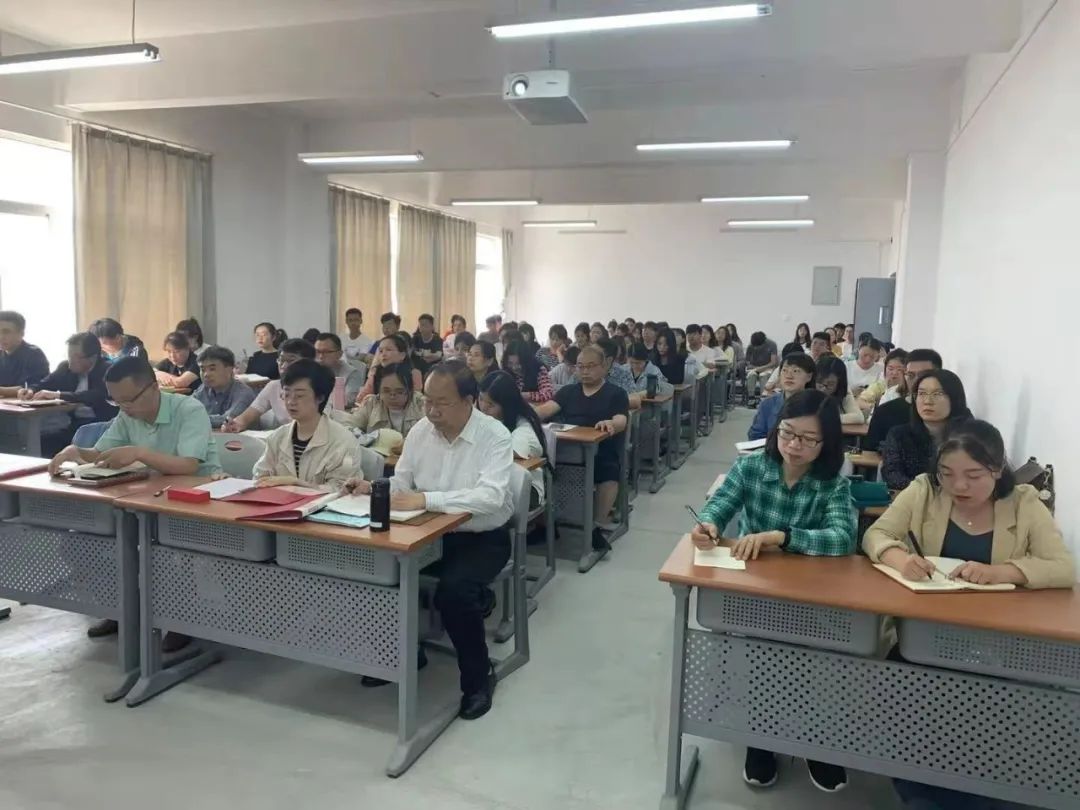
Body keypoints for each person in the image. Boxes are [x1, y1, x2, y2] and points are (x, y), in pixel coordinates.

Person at [690, 389, 855, 792]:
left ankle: (814, 742)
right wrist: (708, 526)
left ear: (827, 443)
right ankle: (761, 740)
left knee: (812, 671)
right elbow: (720, 505)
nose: (794, 446)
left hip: (811, 597)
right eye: (787, 433)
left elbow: (843, 538)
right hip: (756, 591)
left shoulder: (832, 484)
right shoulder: (751, 468)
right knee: (760, 664)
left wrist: (784, 537)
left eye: (808, 439)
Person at [348, 360, 514, 720]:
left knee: (455, 591)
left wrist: (428, 500)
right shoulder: (422, 431)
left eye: (442, 403)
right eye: (427, 401)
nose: (432, 411)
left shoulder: (495, 435)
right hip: (423, 530)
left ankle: (478, 679)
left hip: (481, 537)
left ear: (469, 401)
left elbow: (491, 498)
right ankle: (404, 654)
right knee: (374, 570)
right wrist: (374, 488)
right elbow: (402, 483)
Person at [48, 356, 222, 647]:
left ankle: (179, 619)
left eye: (129, 400)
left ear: (153, 388)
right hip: (145, 498)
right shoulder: (127, 414)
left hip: (194, 502)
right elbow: (101, 454)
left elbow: (189, 465)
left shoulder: (188, 409)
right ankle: (119, 608)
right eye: (117, 402)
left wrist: (139, 453)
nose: (124, 408)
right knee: (79, 542)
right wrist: (74, 451)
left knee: (162, 551)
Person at [866, 419, 1074, 589]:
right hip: (924, 612)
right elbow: (876, 534)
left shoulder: (1024, 503)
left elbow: (1063, 567)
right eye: (947, 474)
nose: (959, 486)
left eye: (973, 476)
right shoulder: (924, 490)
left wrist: (1001, 573)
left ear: (998, 470)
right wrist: (901, 560)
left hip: (998, 617)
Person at [535, 344, 629, 553]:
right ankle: (546, 524)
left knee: (609, 472)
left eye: (590, 366)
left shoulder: (616, 393)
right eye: (580, 366)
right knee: (539, 469)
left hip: (601, 449)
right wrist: (525, 414)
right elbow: (546, 409)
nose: (585, 371)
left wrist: (611, 423)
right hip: (567, 448)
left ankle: (596, 526)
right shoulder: (569, 391)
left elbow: (621, 420)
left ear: (604, 367)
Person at [252, 359, 358, 492]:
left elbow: (342, 489)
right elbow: (260, 476)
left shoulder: (343, 441)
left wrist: (295, 483)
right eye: (286, 394)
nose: (290, 402)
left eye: (299, 395)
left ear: (320, 398)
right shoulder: (278, 436)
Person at [19, 332, 117, 456]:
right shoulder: (65, 367)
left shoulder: (108, 369)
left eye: (76, 357)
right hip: (73, 423)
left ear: (92, 358)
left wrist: (59, 395)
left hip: (101, 424)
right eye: (69, 355)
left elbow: (96, 395)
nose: (71, 360)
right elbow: (45, 383)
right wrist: (30, 390)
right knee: (41, 441)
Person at [881, 369, 972, 491]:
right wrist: (927, 492)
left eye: (937, 394)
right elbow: (892, 475)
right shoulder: (899, 435)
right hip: (913, 498)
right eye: (922, 393)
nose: (928, 401)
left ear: (955, 399)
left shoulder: (970, 437)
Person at [479, 370, 548, 508]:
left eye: (491, 404)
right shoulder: (484, 419)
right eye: (480, 399)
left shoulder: (523, 425)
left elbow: (513, 451)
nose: (483, 408)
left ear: (506, 405)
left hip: (525, 489)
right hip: (492, 482)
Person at [225, 338, 316, 432]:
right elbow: (247, 417)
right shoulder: (273, 386)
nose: (284, 366)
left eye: (291, 361)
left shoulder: (318, 387)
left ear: (309, 363)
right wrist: (233, 424)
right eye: (281, 360)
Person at [864, 349, 943, 453]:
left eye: (924, 375)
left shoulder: (950, 412)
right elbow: (870, 453)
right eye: (910, 376)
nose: (916, 381)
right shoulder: (885, 412)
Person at [337, 362, 424, 444]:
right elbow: (348, 426)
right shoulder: (372, 403)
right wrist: (365, 439)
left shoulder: (420, 404)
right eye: (386, 391)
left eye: (399, 392)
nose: (392, 397)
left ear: (410, 390)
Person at [749, 352, 816, 441]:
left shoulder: (818, 405)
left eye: (796, 371)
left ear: (809, 377)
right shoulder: (767, 405)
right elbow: (755, 436)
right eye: (784, 370)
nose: (789, 376)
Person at [192, 346, 257, 429]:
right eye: (203, 369)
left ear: (230, 369)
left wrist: (193, 418)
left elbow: (227, 420)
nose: (206, 374)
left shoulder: (243, 393)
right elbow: (185, 408)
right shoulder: (204, 388)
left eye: (212, 369)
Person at [356, 334, 422, 400]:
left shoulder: (414, 374)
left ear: (402, 355)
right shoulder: (375, 373)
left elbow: (416, 399)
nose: (383, 354)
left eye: (388, 350)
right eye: (381, 351)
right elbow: (361, 398)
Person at [0, 310, 49, 392]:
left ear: (21, 333)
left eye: (6, 332)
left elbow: (32, 388)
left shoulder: (34, 354)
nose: (1, 337)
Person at [314, 332, 366, 407]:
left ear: (339, 354)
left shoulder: (352, 373)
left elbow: (349, 400)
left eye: (326, 352)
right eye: (318, 352)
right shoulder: (310, 370)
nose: (321, 356)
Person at [814, 356, 865, 425]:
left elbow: (859, 417)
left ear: (839, 384)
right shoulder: (806, 389)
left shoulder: (844, 392)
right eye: (819, 382)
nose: (823, 388)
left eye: (830, 384)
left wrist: (827, 418)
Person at [625, 342, 674, 408]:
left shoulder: (654, 372)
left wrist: (641, 394)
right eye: (631, 362)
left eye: (638, 363)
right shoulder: (624, 370)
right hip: (627, 406)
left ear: (646, 359)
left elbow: (657, 390)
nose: (634, 366)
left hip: (648, 407)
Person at [858, 348, 907, 413]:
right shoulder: (880, 386)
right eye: (890, 369)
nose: (894, 373)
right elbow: (859, 402)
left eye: (899, 369)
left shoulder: (909, 388)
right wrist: (877, 407)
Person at [744, 331, 779, 399]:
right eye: (755, 346)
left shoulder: (772, 344)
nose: (756, 348)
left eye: (758, 346)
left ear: (763, 343)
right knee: (751, 375)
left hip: (768, 367)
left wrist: (762, 368)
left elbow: (773, 362)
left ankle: (763, 397)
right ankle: (751, 398)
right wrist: (752, 366)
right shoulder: (751, 345)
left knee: (763, 376)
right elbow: (747, 361)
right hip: (754, 367)